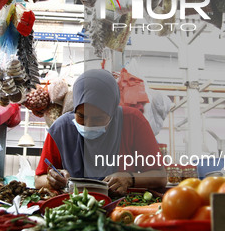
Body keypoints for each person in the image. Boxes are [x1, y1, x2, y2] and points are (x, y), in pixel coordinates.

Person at [35, 69, 167, 195]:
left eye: (98, 118)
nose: (89, 125)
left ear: (112, 112)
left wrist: (130, 179)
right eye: (81, 116)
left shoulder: (132, 121)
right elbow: (38, 180)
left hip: (121, 208)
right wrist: (52, 179)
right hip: (74, 207)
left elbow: (160, 177)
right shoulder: (61, 129)